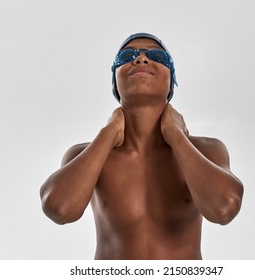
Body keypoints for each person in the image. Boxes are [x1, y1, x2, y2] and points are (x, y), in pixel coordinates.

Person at [40, 33, 244, 259]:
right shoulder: (85, 155)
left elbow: (225, 209)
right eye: (127, 55)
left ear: (171, 81)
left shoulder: (207, 150)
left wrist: (175, 134)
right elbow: (58, 209)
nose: (141, 59)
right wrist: (108, 133)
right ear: (115, 81)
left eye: (157, 55)